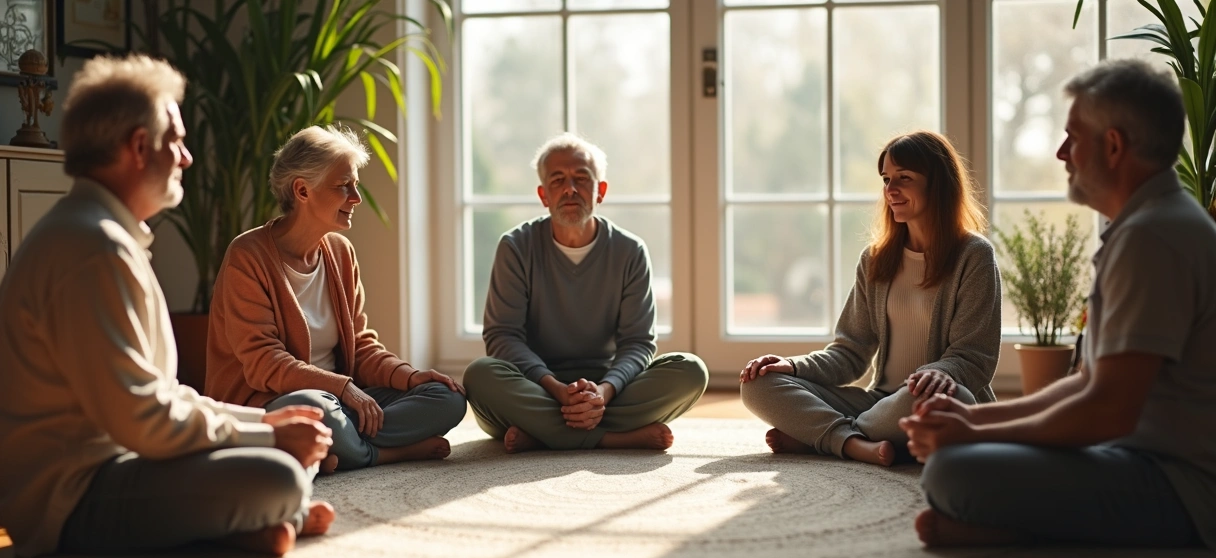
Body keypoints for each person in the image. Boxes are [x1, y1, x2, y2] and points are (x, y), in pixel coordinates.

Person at [0, 54, 335, 558]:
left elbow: (162, 395)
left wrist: (263, 425)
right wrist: (267, 440)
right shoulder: (93, 248)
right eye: (175, 141)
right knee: (280, 474)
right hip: (67, 501)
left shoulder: (101, 234)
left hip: (122, 461)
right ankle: (251, 516)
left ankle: (244, 525)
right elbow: (144, 421)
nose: (186, 158)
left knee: (289, 440)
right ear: (139, 147)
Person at [901, 58, 1215, 550]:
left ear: (1112, 147)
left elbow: (1107, 412)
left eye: (1073, 136)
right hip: (1136, 454)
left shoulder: (1154, 238)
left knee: (953, 472)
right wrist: (973, 420)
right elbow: (1088, 382)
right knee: (957, 448)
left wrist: (970, 438)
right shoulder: (1148, 225)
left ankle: (1024, 534)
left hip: (1181, 487)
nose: (1061, 152)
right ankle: (1016, 526)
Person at [206, 125, 467, 472]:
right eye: (344, 186)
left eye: (355, 185)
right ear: (302, 190)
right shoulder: (247, 256)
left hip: (344, 398)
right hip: (274, 402)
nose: (356, 197)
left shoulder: (340, 252)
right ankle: (389, 453)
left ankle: (340, 449)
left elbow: (359, 347)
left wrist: (409, 377)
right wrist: (343, 389)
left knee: (447, 398)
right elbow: (264, 364)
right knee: (321, 412)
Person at [740, 131, 1001, 467]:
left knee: (931, 400)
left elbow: (975, 357)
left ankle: (825, 437)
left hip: (931, 399)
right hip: (879, 405)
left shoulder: (974, 256)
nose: (890, 190)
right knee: (759, 385)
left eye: (904, 178)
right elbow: (849, 354)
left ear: (938, 185)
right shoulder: (876, 260)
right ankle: (852, 442)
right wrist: (792, 366)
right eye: (886, 179)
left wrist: (940, 372)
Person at [463, 133, 708, 453]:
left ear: (600, 191)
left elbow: (638, 342)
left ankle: (542, 435)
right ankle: (613, 439)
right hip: (535, 384)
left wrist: (604, 392)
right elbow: (502, 337)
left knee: (691, 371)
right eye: (558, 180)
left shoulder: (629, 251)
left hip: (607, 385)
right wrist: (555, 389)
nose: (570, 189)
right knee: (480, 375)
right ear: (543, 195)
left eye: (582, 178)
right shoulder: (516, 247)